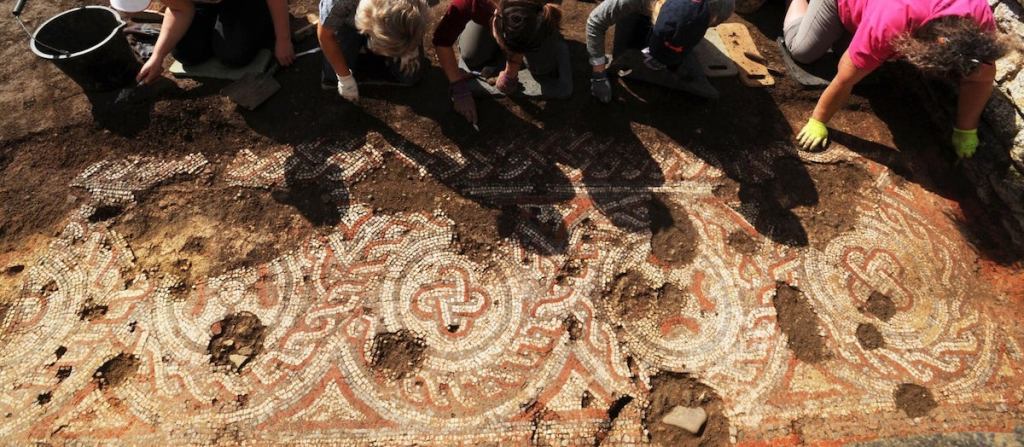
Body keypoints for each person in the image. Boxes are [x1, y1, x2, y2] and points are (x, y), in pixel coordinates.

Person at [783, 0, 1007, 158]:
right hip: (850, 5)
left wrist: (966, 129)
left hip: (874, 12)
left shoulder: (978, 18)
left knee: (861, 50)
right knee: (804, 50)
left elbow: (981, 78)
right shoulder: (895, 19)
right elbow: (845, 77)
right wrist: (818, 120)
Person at [433, 0, 570, 126]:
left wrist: (511, 71)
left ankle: (545, 37)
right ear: (494, 20)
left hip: (529, 12)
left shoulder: (534, 9)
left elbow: (521, 34)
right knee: (471, 56)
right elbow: (441, 40)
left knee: (542, 67)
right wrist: (459, 89)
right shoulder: (472, 3)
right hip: (493, 13)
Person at [586, 0, 735, 103]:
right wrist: (598, 74)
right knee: (627, 44)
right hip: (641, 7)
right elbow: (595, 22)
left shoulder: (722, 5)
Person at [114, 0, 294, 85]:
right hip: (203, 3)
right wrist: (158, 55)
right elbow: (179, 8)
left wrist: (283, 39)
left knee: (233, 54)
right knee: (186, 53)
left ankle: (257, 20)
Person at [318, 0, 432, 102]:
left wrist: (407, 44)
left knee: (410, 75)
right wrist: (345, 79)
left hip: (386, 22)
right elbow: (325, 35)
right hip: (346, 22)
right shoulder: (338, 3)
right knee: (333, 76)